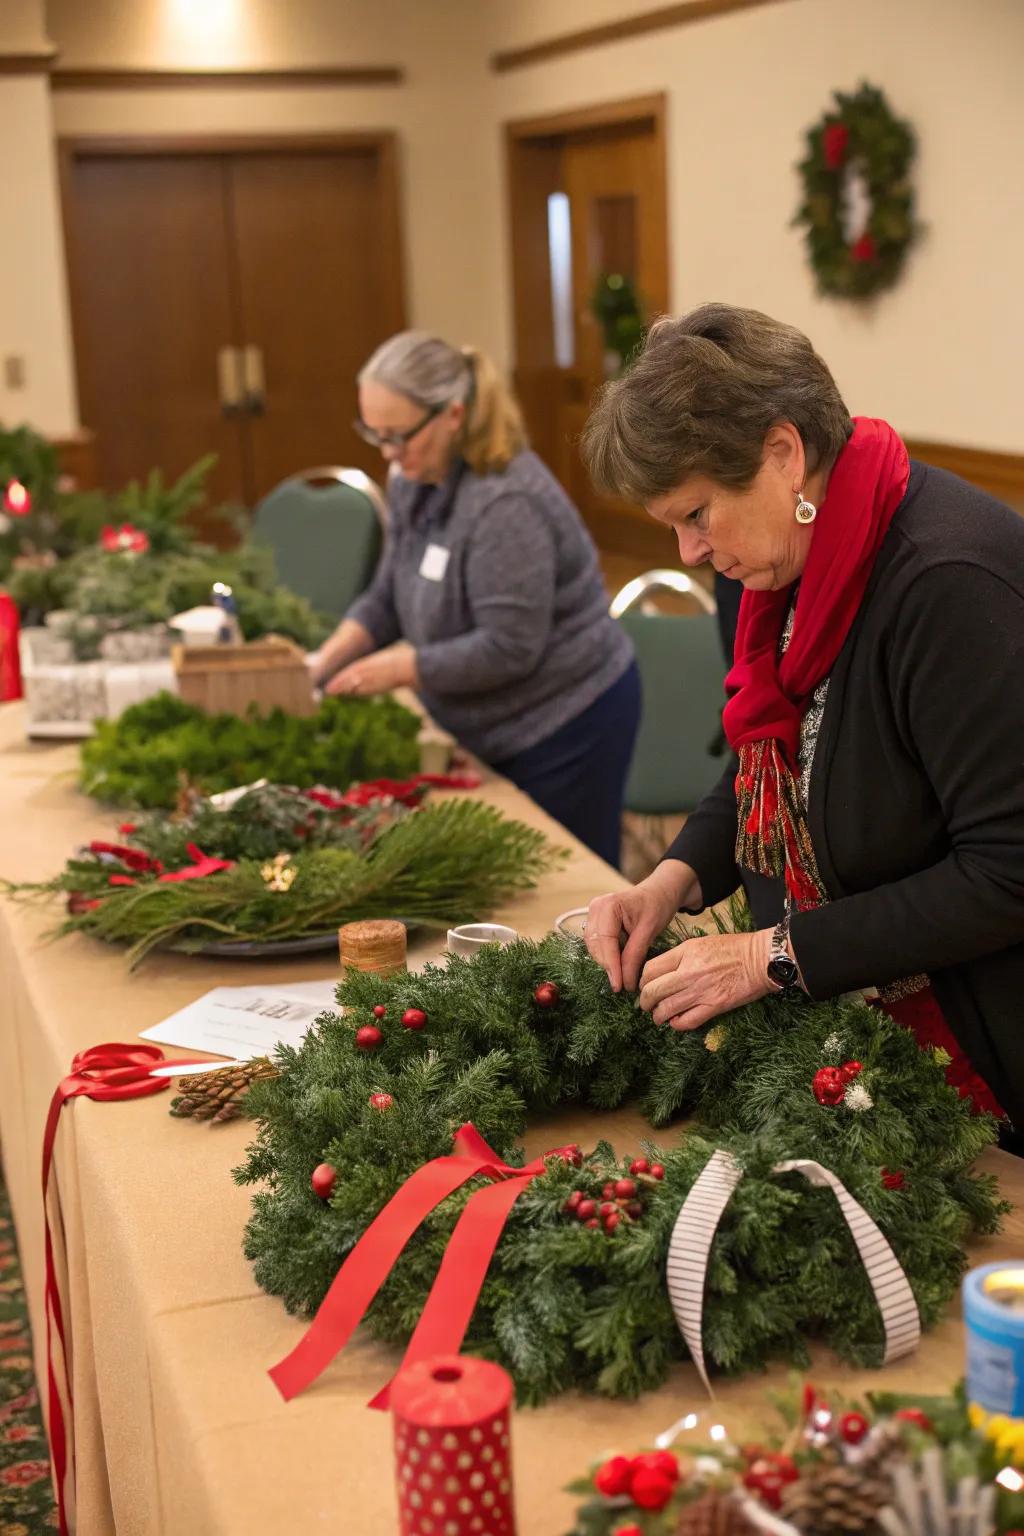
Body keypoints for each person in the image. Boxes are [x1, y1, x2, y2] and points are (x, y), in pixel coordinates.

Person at [581, 302, 1024, 1130]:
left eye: (696, 515)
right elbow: (777, 761)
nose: (689, 552)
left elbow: (1008, 871)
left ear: (783, 452)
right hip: (855, 1036)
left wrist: (771, 956)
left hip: (985, 1063)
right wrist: (667, 882)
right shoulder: (790, 562)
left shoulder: (947, 583)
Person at [309, 331, 640, 868]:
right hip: (488, 719)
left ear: (453, 415)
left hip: (567, 720)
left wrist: (403, 666)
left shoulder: (506, 503)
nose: (388, 452)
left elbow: (510, 647)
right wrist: (326, 659)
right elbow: (389, 593)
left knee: (564, 882)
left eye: (400, 435)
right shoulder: (411, 477)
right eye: (375, 433)